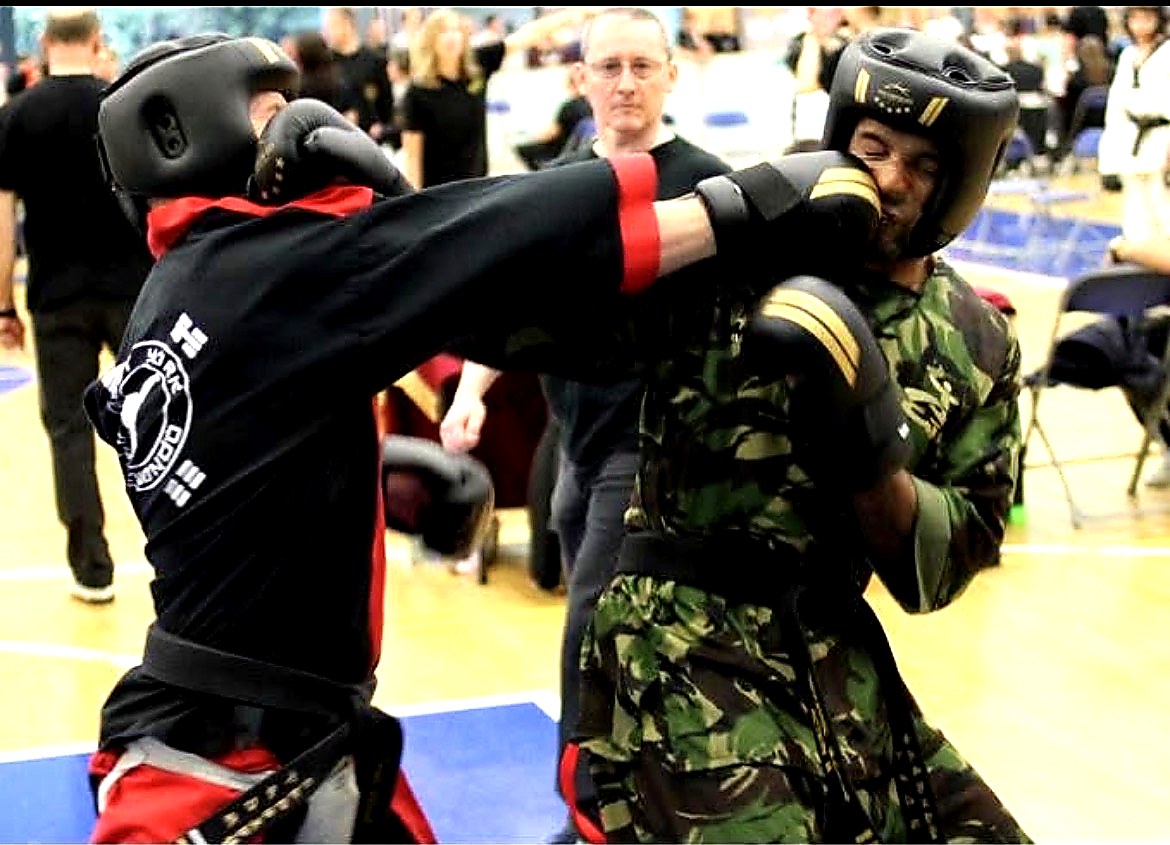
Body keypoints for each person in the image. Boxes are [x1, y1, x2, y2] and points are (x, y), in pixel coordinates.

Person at [80, 30, 883, 843]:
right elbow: (508, 239)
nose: (295, 137)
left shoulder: (174, 293)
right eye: (270, 117)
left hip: (256, 727)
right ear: (187, 136)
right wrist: (745, 206)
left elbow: (236, 451)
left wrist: (365, 477)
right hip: (230, 761)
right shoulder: (278, 272)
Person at [546, 27, 1026, 842]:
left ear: (962, 185)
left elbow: (945, 567)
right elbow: (541, 312)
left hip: (834, 658)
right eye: (873, 148)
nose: (890, 179)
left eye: (922, 165)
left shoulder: (977, 338)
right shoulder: (739, 262)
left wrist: (870, 452)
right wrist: (725, 214)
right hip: (680, 645)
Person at [438, 8, 730, 842]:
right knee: (612, 627)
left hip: (654, 450)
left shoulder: (709, 185)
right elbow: (516, 300)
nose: (626, 83)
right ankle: (647, 792)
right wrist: (471, 390)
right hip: (574, 442)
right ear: (581, 80)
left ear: (671, 74)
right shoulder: (564, 184)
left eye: (642, 66)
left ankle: (593, 813)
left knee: (591, 631)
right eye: (609, 68)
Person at [0, 8, 153, 604]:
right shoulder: (123, 104)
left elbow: (4, 227)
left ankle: (92, 568)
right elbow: (156, 199)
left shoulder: (15, 117)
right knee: (157, 420)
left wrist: (4, 306)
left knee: (68, 429)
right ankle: (180, 553)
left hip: (56, 296)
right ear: (96, 41)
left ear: (43, 42)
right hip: (132, 290)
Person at [1098, 6, 1170, 239]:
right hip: (1131, 139)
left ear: (1159, 20)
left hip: (1162, 136)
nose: (1140, 24)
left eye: (1147, 18)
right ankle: (1138, 256)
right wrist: (1108, 154)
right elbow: (1116, 104)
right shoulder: (1127, 54)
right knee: (1135, 214)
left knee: (1164, 209)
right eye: (1135, 18)